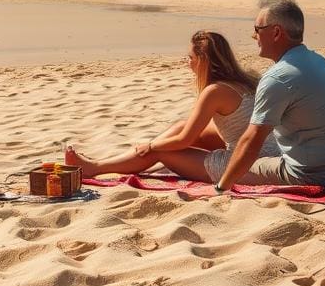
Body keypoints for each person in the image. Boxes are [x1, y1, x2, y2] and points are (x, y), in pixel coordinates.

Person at [65, 31, 281, 183]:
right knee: (180, 127)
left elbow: (184, 141)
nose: (187, 63)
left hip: (244, 166)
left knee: (161, 151)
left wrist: (151, 145)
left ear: (203, 61)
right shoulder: (249, 79)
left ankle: (95, 168)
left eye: (190, 58)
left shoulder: (215, 91)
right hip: (271, 152)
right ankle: (117, 163)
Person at [214, 0, 325, 192]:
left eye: (257, 29)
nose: (253, 36)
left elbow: (252, 141)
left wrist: (222, 187)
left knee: (224, 165)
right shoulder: (317, 60)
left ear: (276, 32)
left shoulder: (278, 77)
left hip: (320, 177)